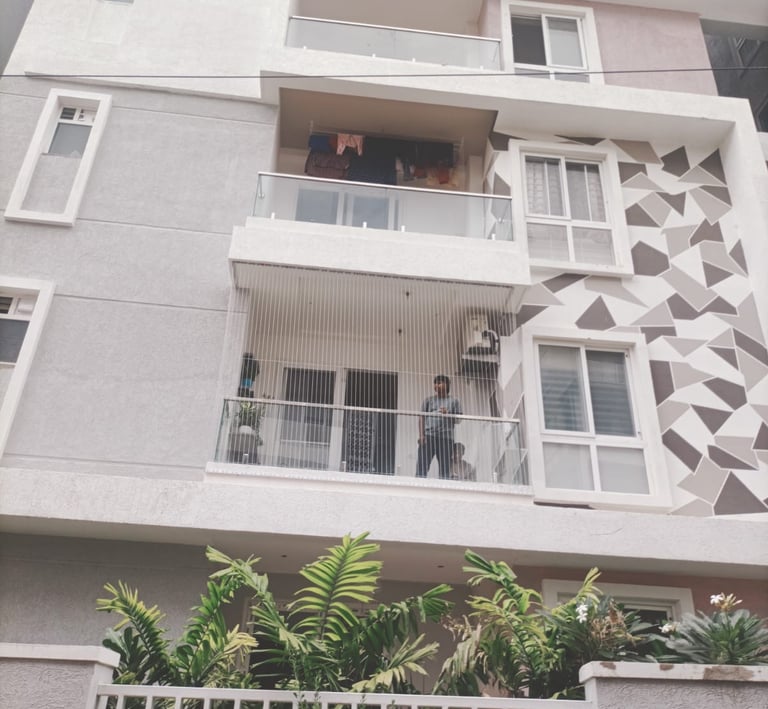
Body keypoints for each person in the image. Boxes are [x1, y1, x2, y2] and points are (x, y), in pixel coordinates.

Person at [416, 374, 462, 479]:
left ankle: (444, 486)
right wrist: (421, 435)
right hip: (429, 436)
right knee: (422, 466)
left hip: (446, 438)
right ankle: (418, 485)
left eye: (439, 383)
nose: (436, 385)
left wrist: (448, 414)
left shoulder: (454, 401)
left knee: (445, 468)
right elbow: (421, 418)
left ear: (447, 385)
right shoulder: (428, 400)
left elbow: (458, 420)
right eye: (435, 383)